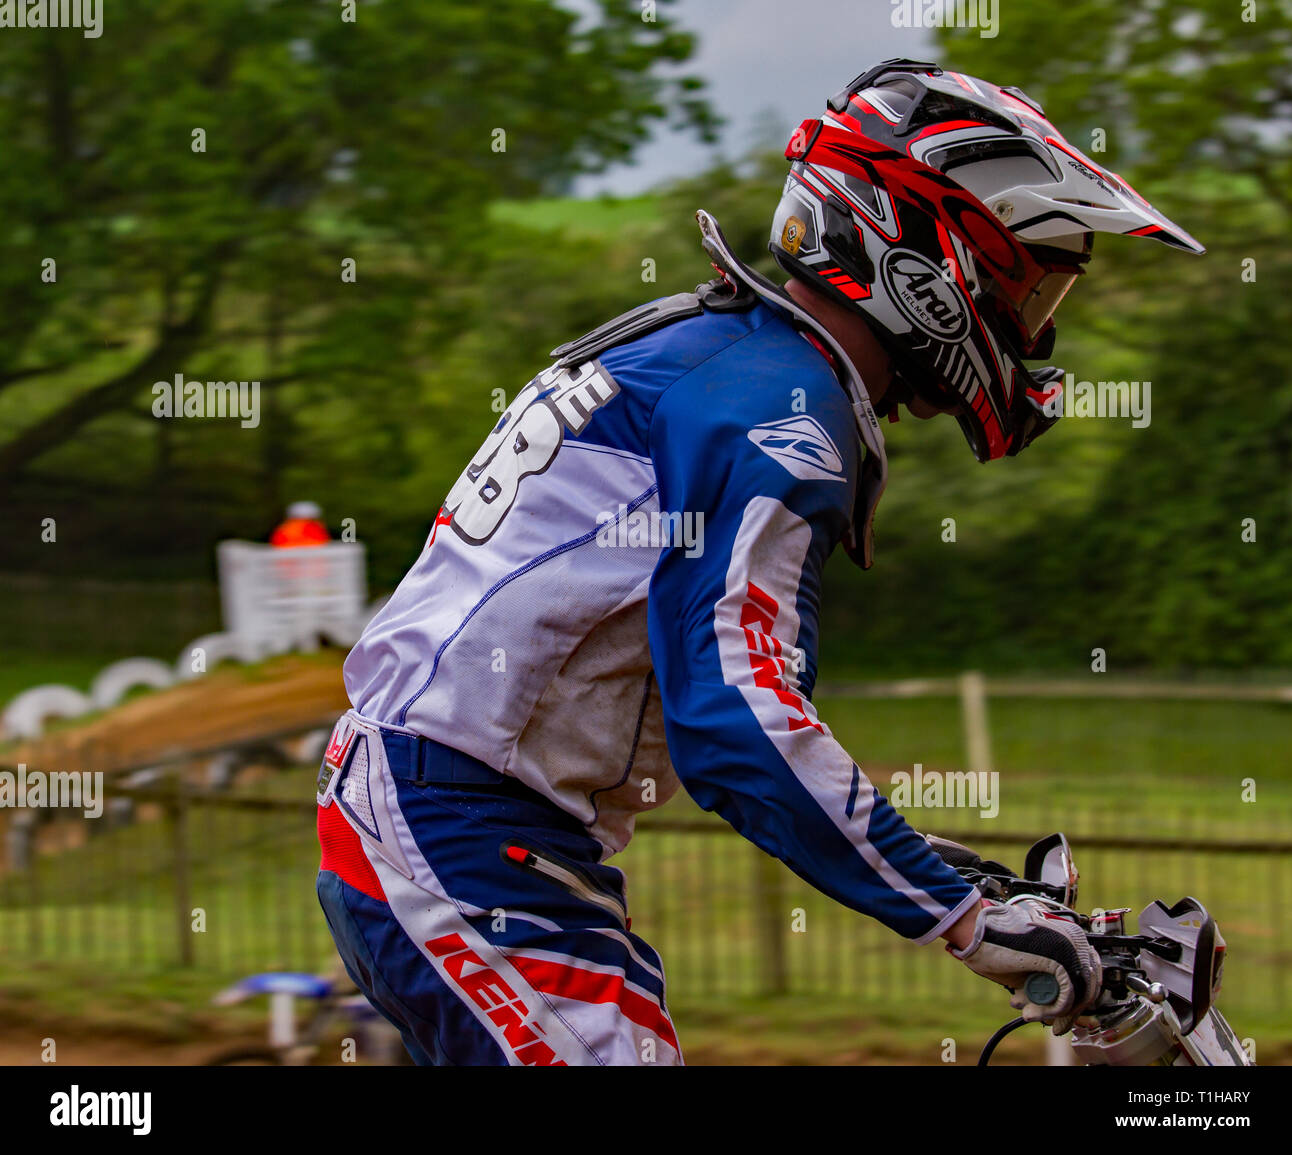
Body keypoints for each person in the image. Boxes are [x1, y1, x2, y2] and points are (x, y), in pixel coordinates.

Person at [313, 60, 1202, 1065]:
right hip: (456, 834)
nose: (1035, 333)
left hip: (472, 831)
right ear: (932, 261)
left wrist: (950, 878)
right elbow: (734, 719)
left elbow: (742, 718)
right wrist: (959, 916)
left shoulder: (720, 356)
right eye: (1028, 289)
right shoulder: (779, 415)